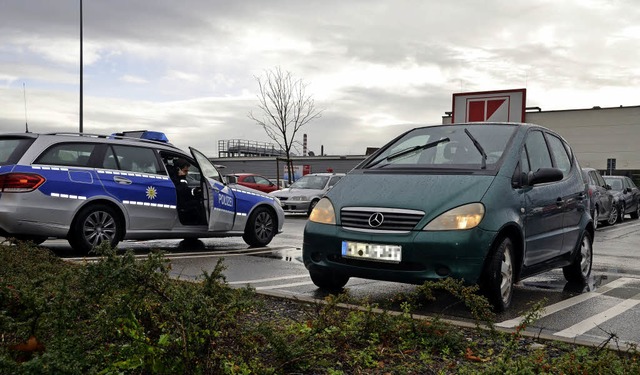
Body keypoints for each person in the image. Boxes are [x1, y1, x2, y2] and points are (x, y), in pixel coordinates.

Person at [171, 158, 205, 225]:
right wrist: (193, 191)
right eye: (185, 171)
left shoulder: (178, 177)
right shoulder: (175, 178)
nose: (187, 173)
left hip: (181, 201)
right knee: (197, 204)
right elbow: (182, 191)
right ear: (178, 169)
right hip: (179, 203)